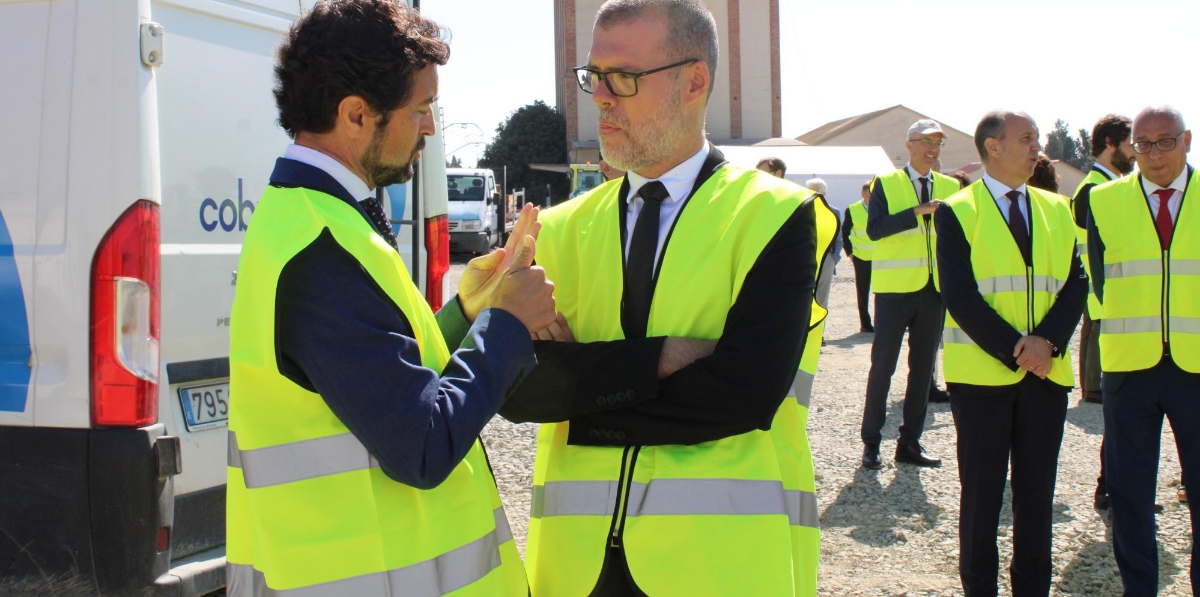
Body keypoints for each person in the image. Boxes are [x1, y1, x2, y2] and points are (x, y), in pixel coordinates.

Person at [498, 1, 831, 595]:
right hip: (576, 564)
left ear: (694, 80)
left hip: (714, 563)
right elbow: (516, 390)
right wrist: (664, 357)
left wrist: (580, 390)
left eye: (623, 78)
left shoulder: (775, 215)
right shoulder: (557, 228)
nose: (600, 97)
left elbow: (745, 394)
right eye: (593, 76)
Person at [225, 3, 556, 595]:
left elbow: (385, 378)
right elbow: (421, 445)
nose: (431, 128)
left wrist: (466, 315)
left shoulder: (313, 219)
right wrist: (508, 324)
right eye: (422, 108)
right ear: (356, 115)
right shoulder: (323, 245)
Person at [936, 111, 1087, 597]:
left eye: (1036, 139)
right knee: (981, 499)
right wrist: (1018, 349)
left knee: (1037, 498)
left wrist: (1048, 343)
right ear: (992, 147)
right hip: (981, 380)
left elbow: (1076, 283)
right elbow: (959, 294)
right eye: (1026, 139)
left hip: (1046, 376)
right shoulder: (956, 211)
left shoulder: (1057, 209)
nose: (1037, 149)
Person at [1087, 105, 1199, 597]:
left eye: (1165, 141)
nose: (1154, 154)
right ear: (1130, 145)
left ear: (1187, 139)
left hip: (1196, 369)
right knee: (1130, 496)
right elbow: (1096, 280)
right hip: (1129, 369)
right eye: (1143, 143)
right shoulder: (1103, 201)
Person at [859, 118, 959, 469]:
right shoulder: (885, 183)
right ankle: (871, 442)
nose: (933, 149)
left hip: (933, 291)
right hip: (894, 292)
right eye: (927, 142)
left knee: (922, 372)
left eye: (938, 144)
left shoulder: (950, 185)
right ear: (910, 145)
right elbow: (875, 229)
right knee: (882, 367)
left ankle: (910, 443)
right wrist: (917, 212)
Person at [1069, 114, 1135, 510]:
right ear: (1111, 142)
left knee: (1125, 408)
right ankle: (1109, 486)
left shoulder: (1108, 186)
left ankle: (1114, 485)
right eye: (1131, 144)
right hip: (1111, 306)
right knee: (1121, 407)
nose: (1136, 153)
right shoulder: (1094, 191)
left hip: (1118, 306)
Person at [807, 177, 843, 317]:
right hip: (805, 257)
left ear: (824, 194)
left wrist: (834, 258)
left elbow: (838, 239)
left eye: (814, 192)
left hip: (826, 259)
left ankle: (818, 334)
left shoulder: (834, 212)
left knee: (821, 299)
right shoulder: (800, 211)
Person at [843, 181, 875, 332]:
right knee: (863, 292)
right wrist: (850, 253)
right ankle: (865, 324)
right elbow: (845, 233)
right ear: (863, 194)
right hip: (861, 257)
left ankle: (882, 322)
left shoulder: (882, 208)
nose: (872, 198)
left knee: (883, 291)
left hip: (881, 257)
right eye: (869, 195)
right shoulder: (852, 209)